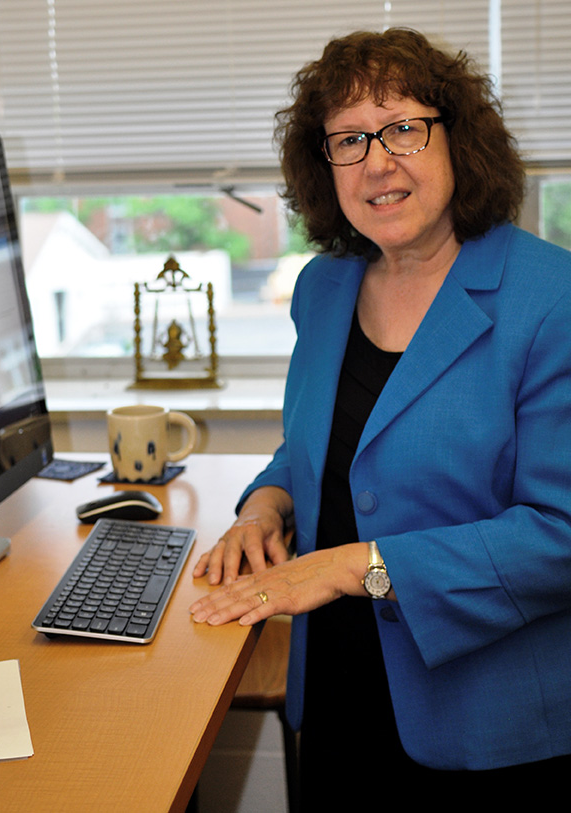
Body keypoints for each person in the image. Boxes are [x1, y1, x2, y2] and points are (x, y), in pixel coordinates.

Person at [188, 27, 571, 805]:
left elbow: (560, 533)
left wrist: (347, 562)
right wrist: (268, 504)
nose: (378, 161)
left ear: (458, 139)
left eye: (403, 128)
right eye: (349, 140)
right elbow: (320, 448)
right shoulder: (323, 288)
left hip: (486, 727)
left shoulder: (551, 300)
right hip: (336, 690)